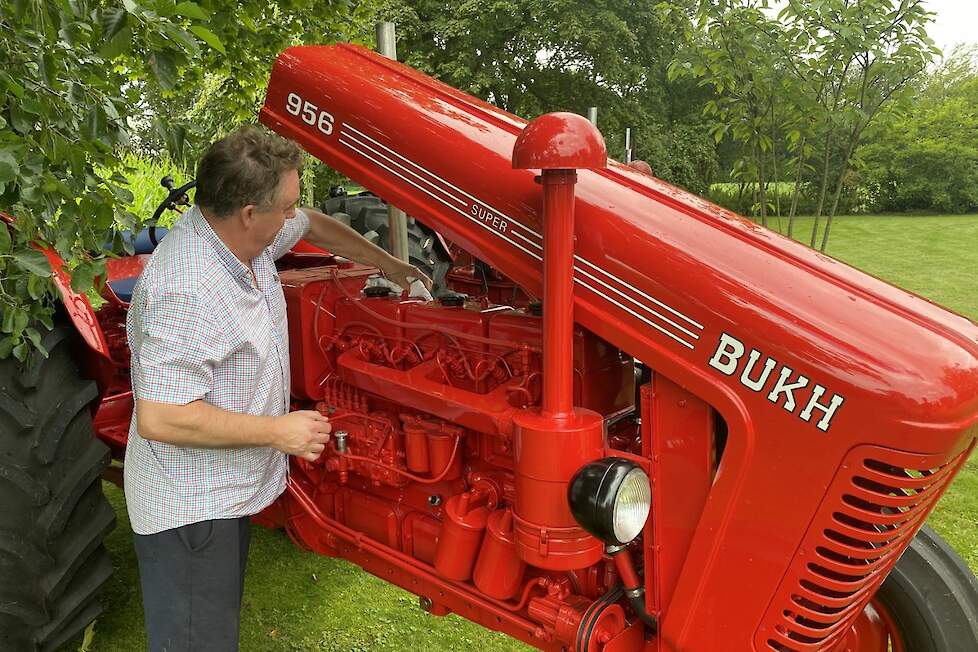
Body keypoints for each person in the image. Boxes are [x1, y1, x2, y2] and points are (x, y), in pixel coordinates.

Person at [123, 126, 427, 652]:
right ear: (247, 212)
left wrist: (390, 265)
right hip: (193, 502)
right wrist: (278, 431)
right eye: (285, 207)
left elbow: (317, 225)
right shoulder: (185, 288)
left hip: (229, 481)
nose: (293, 216)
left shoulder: (240, 236)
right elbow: (161, 417)